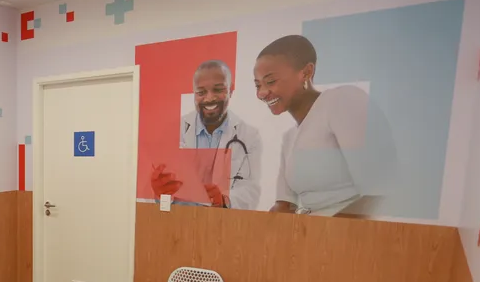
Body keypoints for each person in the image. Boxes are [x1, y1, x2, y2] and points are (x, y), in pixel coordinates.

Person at [253, 35, 397, 216]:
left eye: (270, 81)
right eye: (257, 85)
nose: (262, 93)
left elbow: (380, 192)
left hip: (350, 231)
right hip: (313, 229)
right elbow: (284, 207)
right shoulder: (289, 138)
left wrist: (326, 230)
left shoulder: (341, 100)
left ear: (306, 72)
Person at [151, 60, 262, 209]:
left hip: (222, 219)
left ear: (231, 89)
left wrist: (224, 199)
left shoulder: (249, 136)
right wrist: (160, 192)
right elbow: (163, 189)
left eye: (218, 90)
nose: (209, 98)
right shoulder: (173, 131)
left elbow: (251, 191)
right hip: (181, 218)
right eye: (201, 92)